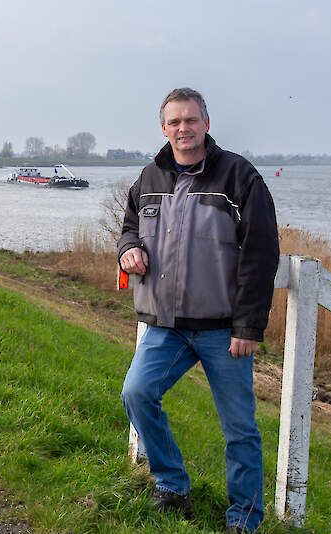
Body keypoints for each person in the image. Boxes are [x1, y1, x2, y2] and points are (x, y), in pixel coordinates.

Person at [117, 88, 279, 533]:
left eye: (190, 120)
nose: (183, 129)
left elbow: (261, 254)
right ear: (164, 128)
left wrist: (248, 325)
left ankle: (243, 520)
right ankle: (172, 485)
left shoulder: (239, 177)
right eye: (174, 122)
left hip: (223, 331)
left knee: (240, 429)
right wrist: (128, 248)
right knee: (136, 394)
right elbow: (129, 226)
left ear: (206, 123)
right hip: (164, 327)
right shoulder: (149, 177)